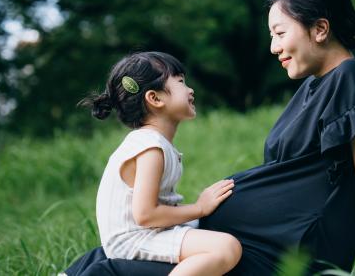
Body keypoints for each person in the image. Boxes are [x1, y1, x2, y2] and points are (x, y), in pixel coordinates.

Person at [66, 0, 355, 276]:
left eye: (280, 33)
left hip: (284, 253)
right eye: (271, 35)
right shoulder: (314, 86)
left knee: (107, 270)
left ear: (320, 28)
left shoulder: (353, 78)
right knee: (100, 260)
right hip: (251, 242)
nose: (273, 47)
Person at [78, 51, 242, 276]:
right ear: (155, 99)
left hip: (144, 232)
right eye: (181, 82)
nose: (190, 89)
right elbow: (146, 215)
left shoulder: (153, 143)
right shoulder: (150, 147)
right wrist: (199, 208)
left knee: (212, 232)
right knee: (226, 247)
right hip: (134, 238)